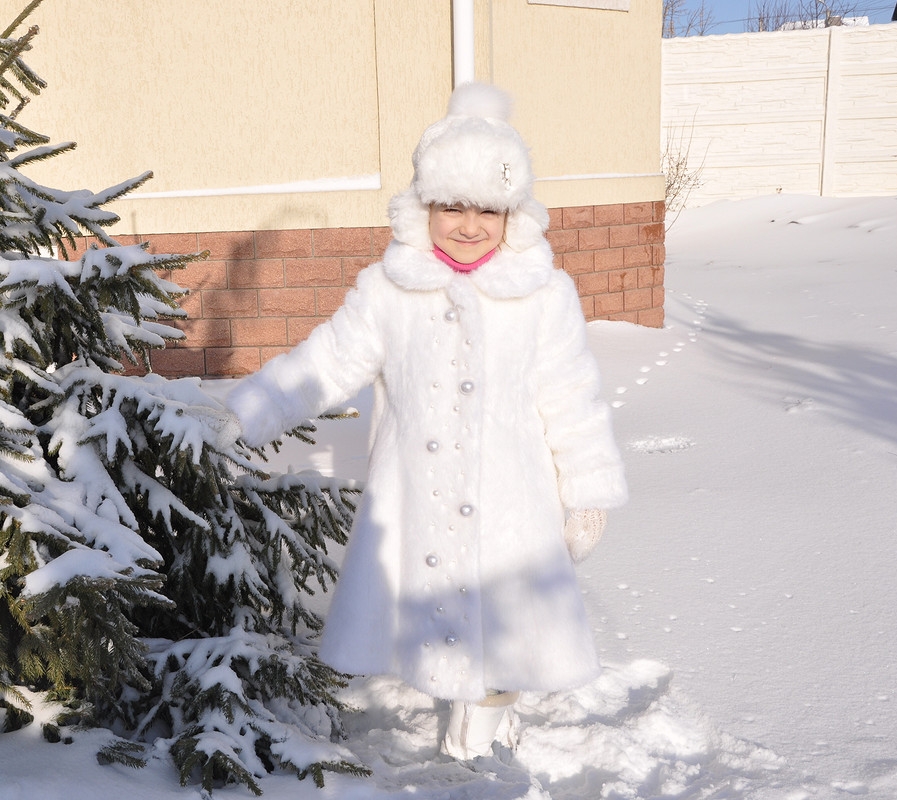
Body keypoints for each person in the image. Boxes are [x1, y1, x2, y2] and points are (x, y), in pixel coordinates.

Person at [220, 83, 627, 760]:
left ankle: (484, 734)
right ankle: (459, 720)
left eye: (488, 211)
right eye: (452, 207)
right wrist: (248, 411)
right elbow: (326, 360)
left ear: (514, 215)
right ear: (424, 208)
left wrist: (587, 488)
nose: (470, 226)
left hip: (512, 500)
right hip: (420, 494)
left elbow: (571, 393)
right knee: (441, 614)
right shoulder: (389, 292)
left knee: (503, 628)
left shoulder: (542, 296)